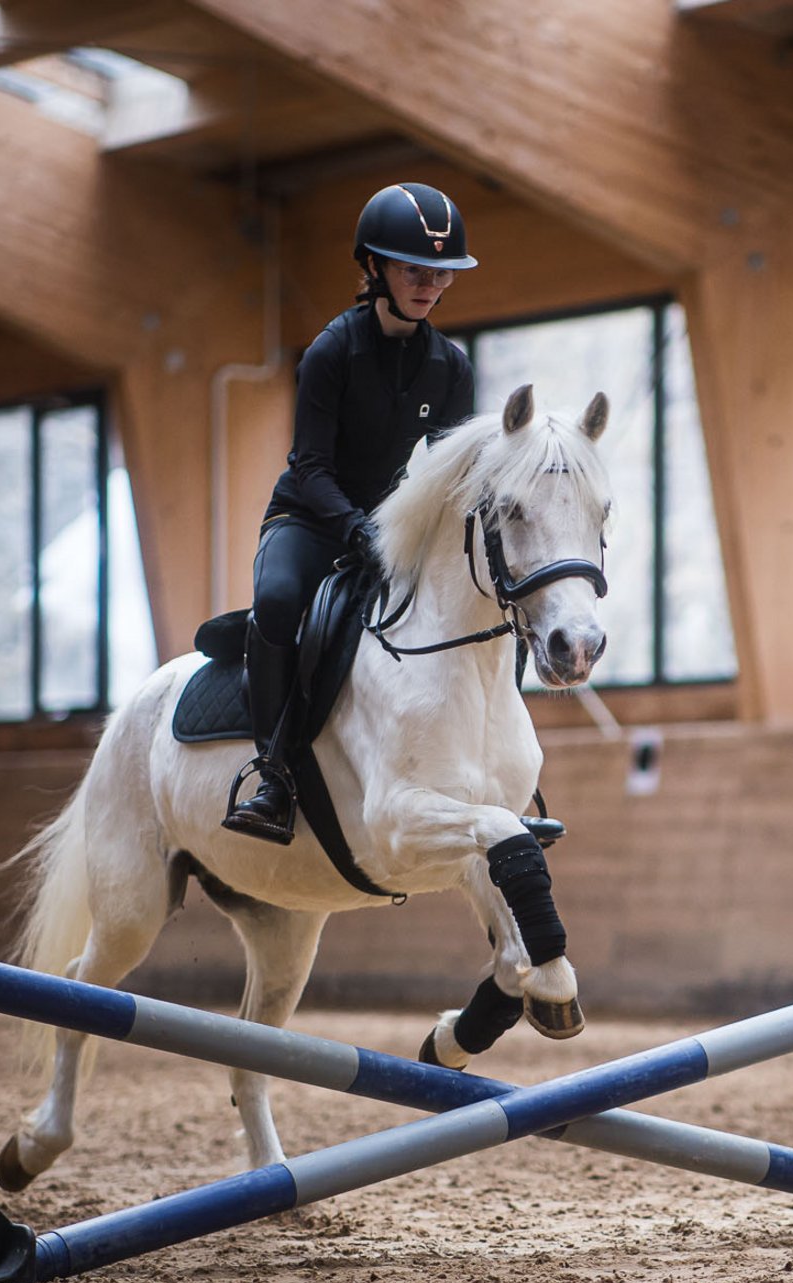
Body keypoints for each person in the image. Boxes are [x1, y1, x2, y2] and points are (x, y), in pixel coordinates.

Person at [225, 182, 480, 843]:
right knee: (280, 601)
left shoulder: (450, 366)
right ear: (375, 268)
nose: (429, 284)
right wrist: (360, 530)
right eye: (413, 269)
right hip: (308, 520)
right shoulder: (331, 352)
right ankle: (272, 775)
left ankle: (490, 764)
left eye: (440, 273)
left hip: (387, 525)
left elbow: (450, 471)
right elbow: (309, 468)